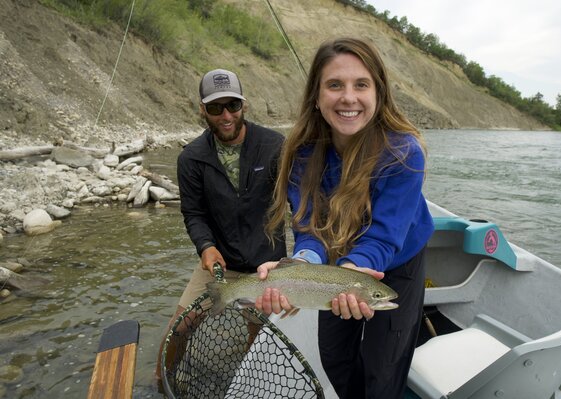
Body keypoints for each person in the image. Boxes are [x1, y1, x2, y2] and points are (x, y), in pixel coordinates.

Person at [255, 38, 435, 398]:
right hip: (335, 265)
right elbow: (309, 233)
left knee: (384, 372)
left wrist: (355, 273)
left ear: (379, 93)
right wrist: (299, 266)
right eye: (335, 85)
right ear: (317, 97)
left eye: (361, 85)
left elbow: (383, 239)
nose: (348, 98)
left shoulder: (405, 154)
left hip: (395, 264)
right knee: (334, 357)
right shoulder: (301, 155)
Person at [156, 68, 287, 384]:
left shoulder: (276, 146)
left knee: (261, 333)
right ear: (202, 109)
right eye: (215, 108)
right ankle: (161, 382)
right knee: (180, 327)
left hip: (267, 265)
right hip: (219, 264)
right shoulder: (191, 158)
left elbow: (301, 201)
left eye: (233, 105)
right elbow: (194, 214)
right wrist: (206, 246)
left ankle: (249, 382)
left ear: (244, 105)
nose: (226, 115)